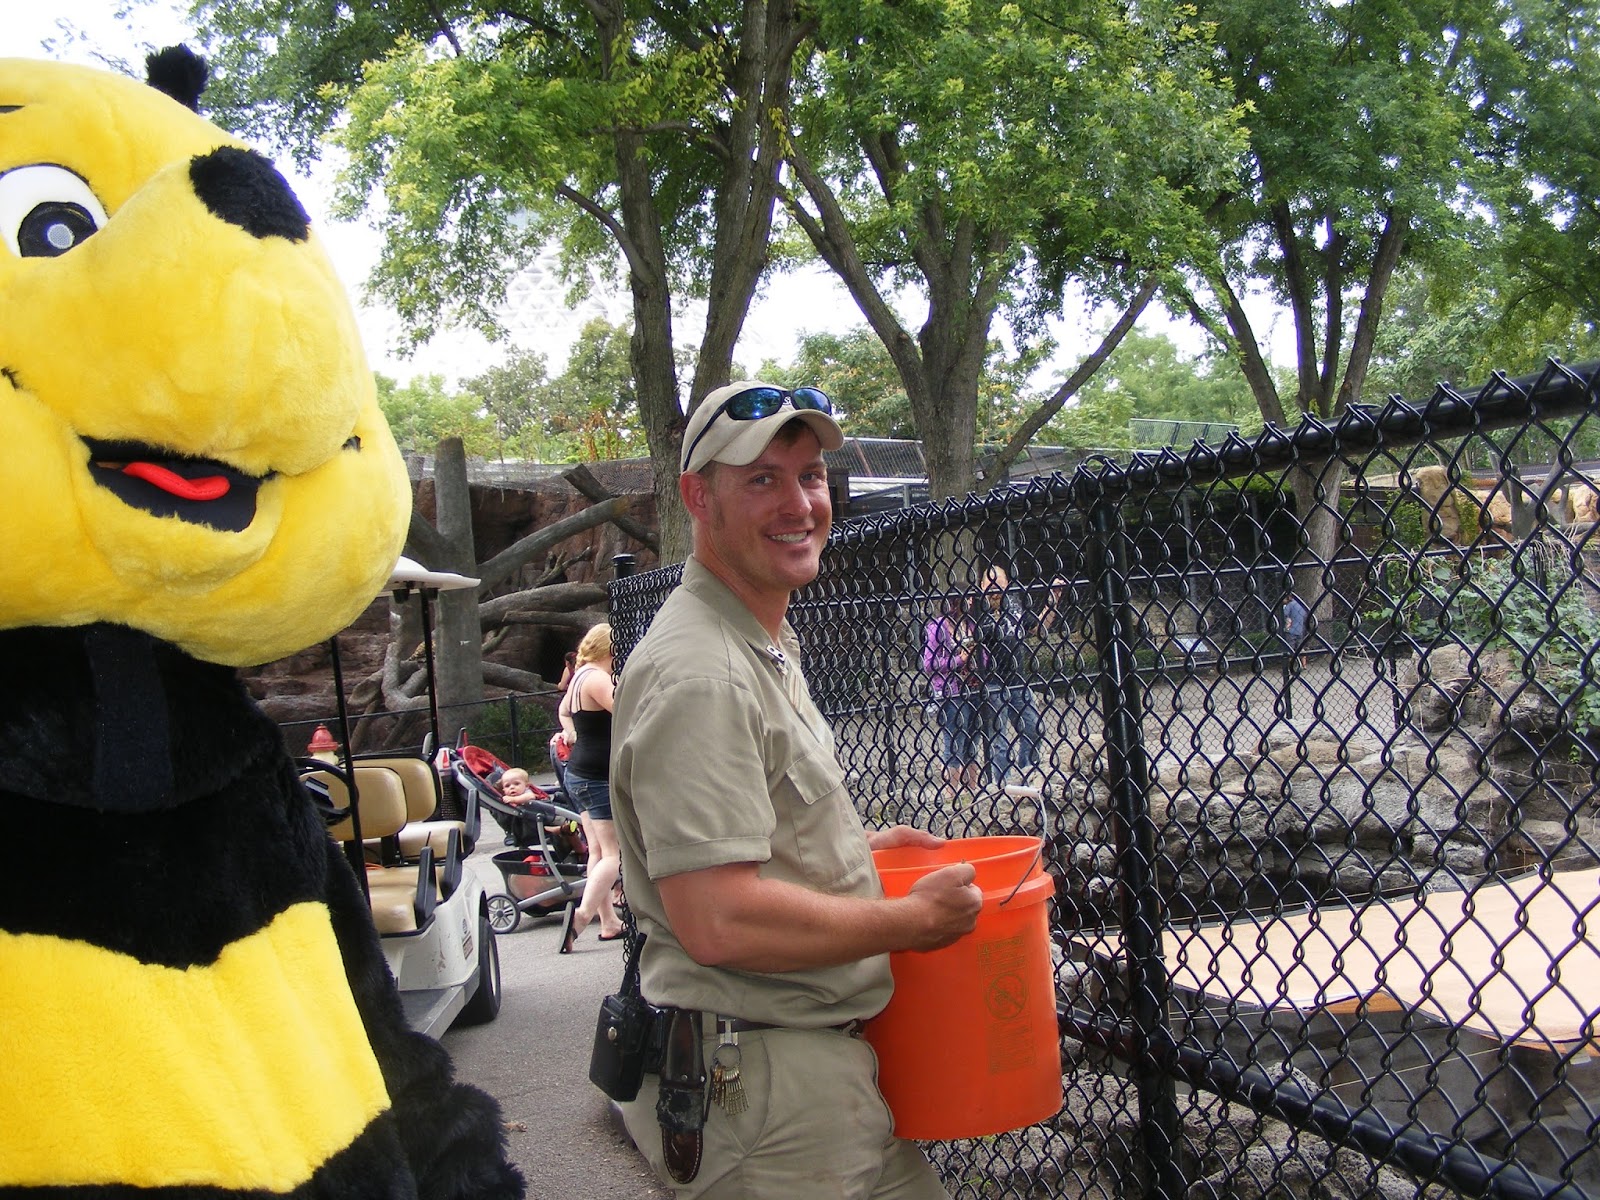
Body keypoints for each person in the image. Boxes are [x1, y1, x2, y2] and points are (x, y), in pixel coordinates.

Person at [610, 380, 983, 1198]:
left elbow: (752, 836)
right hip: (767, 1100)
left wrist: (856, 850)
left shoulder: (762, 640)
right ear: (696, 497)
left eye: (810, 475)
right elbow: (717, 918)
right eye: (762, 480)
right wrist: (908, 923)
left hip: (813, 1075)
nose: (800, 502)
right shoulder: (701, 672)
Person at [557, 622, 625, 950]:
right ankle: (582, 917)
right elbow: (628, 710)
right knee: (615, 853)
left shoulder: (580, 676)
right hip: (596, 777)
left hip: (580, 772)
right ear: (610, 648)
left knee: (597, 850)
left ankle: (609, 922)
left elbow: (564, 711)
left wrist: (570, 731)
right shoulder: (598, 679)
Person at [971, 564, 1045, 788]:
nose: (994, 586)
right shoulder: (977, 607)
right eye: (990, 581)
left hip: (1018, 680)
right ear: (982, 586)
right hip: (993, 682)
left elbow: (1038, 628)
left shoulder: (1015, 602)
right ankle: (1003, 786)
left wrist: (1053, 600)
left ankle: (1027, 775)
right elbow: (977, 635)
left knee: (1033, 730)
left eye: (999, 581)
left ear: (1007, 583)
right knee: (999, 739)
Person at [921, 595, 982, 799]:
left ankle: (972, 790)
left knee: (973, 739)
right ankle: (951, 793)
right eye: (967, 600)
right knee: (955, 738)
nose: (971, 604)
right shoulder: (937, 627)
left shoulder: (971, 624)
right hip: (951, 692)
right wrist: (959, 659)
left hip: (974, 689)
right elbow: (929, 664)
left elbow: (983, 656)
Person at [1280, 591, 1310, 668]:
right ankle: (1304, 665)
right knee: (1301, 647)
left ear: (1289, 598)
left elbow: (1285, 615)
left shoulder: (1290, 605)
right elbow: (1305, 615)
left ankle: (1292, 666)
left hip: (1291, 630)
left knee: (1290, 649)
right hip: (1300, 629)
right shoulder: (1301, 604)